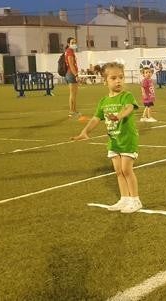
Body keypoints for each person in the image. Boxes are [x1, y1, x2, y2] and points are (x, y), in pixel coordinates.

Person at [71, 62, 143, 213]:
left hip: (127, 139)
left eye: (121, 77)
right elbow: (96, 119)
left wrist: (119, 116)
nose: (118, 81)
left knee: (126, 170)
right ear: (105, 81)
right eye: (114, 78)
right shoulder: (104, 101)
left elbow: (129, 108)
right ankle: (124, 199)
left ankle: (135, 200)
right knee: (118, 171)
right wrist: (85, 132)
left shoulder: (126, 96)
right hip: (113, 141)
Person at [64, 37, 80, 118]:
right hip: (71, 74)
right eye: (72, 42)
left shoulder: (69, 51)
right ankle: (71, 112)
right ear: (68, 44)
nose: (74, 44)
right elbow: (71, 64)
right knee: (72, 94)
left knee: (74, 94)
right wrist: (76, 75)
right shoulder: (69, 52)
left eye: (75, 42)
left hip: (71, 73)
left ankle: (74, 111)